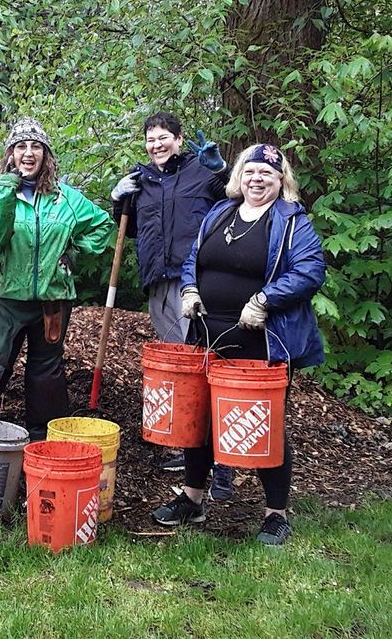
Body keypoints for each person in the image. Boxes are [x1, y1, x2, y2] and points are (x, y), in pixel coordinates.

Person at [151, 143, 326, 545]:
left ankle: (275, 514)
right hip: (207, 332)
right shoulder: (220, 212)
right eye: (250, 172)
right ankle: (193, 499)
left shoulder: (291, 221)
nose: (257, 179)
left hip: (262, 338)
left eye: (267, 173)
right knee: (200, 419)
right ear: (239, 177)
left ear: (281, 180)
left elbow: (310, 271)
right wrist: (190, 289)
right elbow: (195, 256)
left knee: (265, 424)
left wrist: (265, 300)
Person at [0, 117, 113, 438]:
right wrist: (6, 195)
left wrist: (73, 248)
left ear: (46, 154)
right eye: (20, 146)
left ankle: (44, 441)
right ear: (10, 154)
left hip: (52, 300)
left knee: (46, 373)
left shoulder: (65, 197)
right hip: (4, 298)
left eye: (35, 146)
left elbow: (102, 225)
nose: (28, 153)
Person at [109, 113, 233, 492]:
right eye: (151, 139)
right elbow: (129, 228)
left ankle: (223, 461)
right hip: (157, 281)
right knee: (179, 367)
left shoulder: (201, 172)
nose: (157, 144)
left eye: (164, 137)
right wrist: (119, 199)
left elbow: (238, 199)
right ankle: (190, 444)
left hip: (194, 281)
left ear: (179, 139)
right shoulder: (142, 179)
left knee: (205, 361)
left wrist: (223, 170)